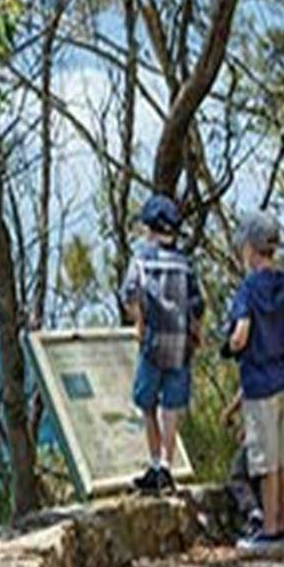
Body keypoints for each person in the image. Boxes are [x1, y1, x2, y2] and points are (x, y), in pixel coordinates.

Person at [225, 210, 284, 551]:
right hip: (283, 378)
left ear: (251, 249)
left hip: (257, 382)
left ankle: (268, 527)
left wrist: (230, 346)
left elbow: (241, 334)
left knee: (264, 460)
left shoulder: (248, 289)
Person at [120, 193, 202, 493]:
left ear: (151, 229)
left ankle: (155, 464)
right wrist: (197, 332)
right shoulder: (185, 263)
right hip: (180, 346)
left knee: (147, 403)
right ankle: (167, 465)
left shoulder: (141, 259)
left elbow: (130, 293)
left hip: (152, 343)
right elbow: (197, 303)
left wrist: (139, 322)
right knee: (172, 406)